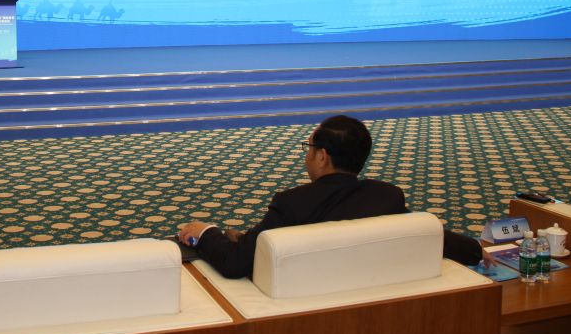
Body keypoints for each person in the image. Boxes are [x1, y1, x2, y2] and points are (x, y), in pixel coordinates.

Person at [177, 115, 484, 279]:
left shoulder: (291, 203)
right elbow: (436, 235)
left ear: (322, 156)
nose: (306, 155)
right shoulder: (387, 197)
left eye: (308, 148)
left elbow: (236, 263)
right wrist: (478, 250)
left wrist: (206, 232)